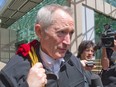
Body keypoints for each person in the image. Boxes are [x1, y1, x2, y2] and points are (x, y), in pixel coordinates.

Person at [0, 4, 90, 87]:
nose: (68, 42)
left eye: (70, 33)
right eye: (61, 32)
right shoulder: (13, 70)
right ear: (39, 31)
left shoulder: (75, 63)